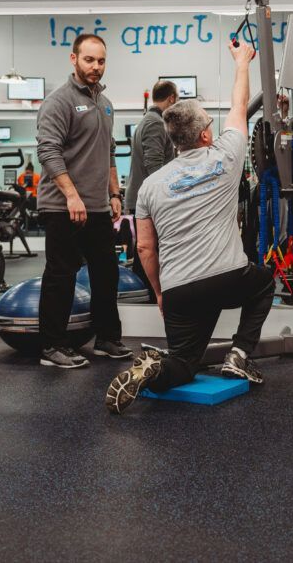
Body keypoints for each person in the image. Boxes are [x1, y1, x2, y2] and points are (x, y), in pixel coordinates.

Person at [105, 40, 273, 414]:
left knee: (183, 364)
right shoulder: (226, 157)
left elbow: (146, 249)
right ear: (205, 136)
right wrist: (242, 62)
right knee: (264, 283)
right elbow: (238, 108)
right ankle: (239, 354)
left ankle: (150, 368)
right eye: (210, 125)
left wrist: (161, 293)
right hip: (228, 277)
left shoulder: (150, 185)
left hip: (180, 288)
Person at [35, 33, 131, 369]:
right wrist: (72, 195)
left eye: (101, 61)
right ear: (73, 59)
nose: (96, 67)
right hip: (63, 206)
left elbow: (109, 154)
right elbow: (48, 151)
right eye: (89, 60)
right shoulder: (58, 101)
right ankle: (52, 346)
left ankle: (106, 338)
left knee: (107, 273)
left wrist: (115, 193)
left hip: (97, 206)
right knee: (62, 274)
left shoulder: (105, 104)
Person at [124, 80, 178, 301]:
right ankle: (148, 295)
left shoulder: (148, 120)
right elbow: (153, 165)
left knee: (146, 249)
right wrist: (167, 197)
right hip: (149, 199)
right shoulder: (155, 123)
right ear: (172, 99)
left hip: (143, 197)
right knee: (149, 250)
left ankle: (144, 294)